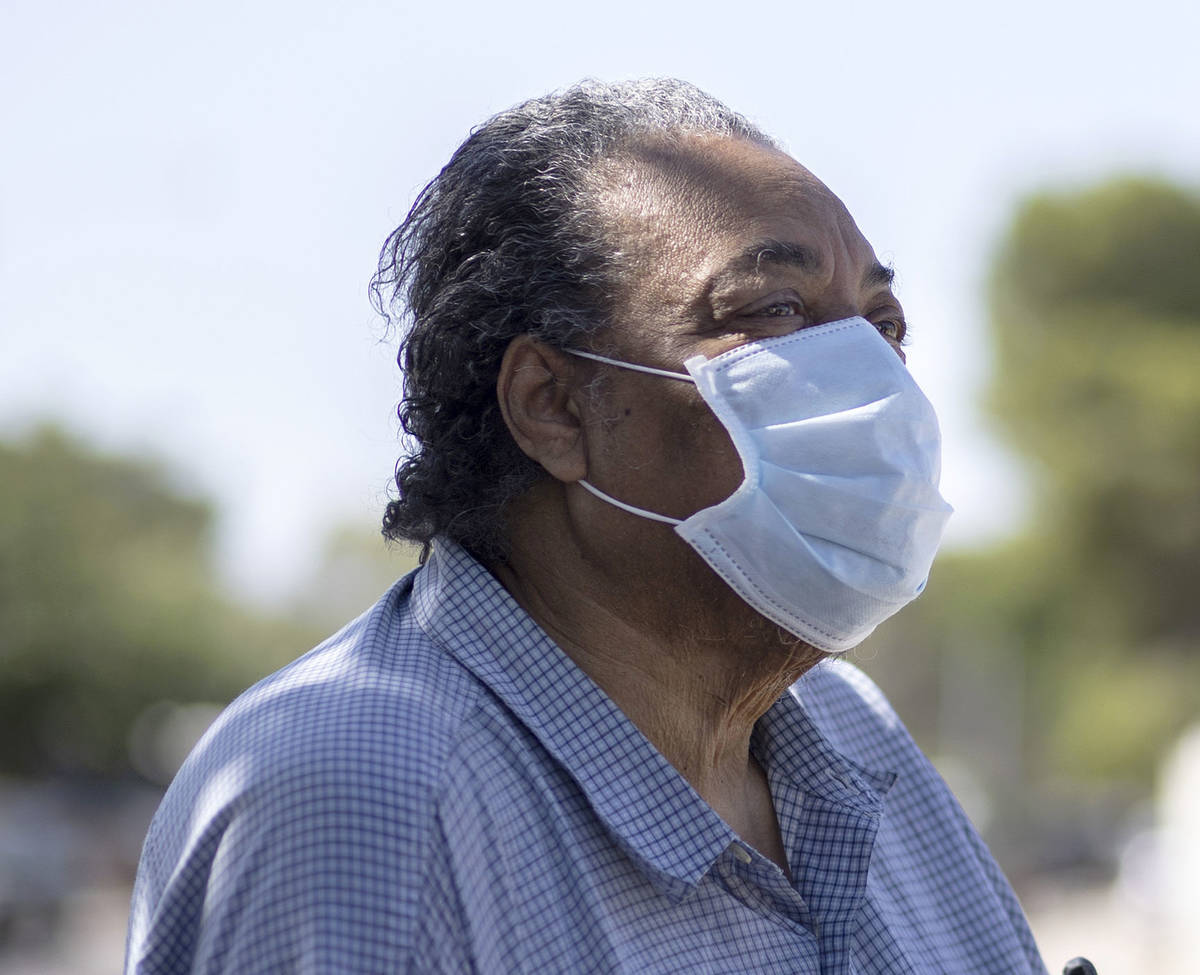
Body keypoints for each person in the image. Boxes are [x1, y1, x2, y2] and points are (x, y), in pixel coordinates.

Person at [125, 79, 1048, 973]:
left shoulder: (852, 737)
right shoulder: (363, 805)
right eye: (774, 311)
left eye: (883, 326)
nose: (868, 378)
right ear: (554, 406)